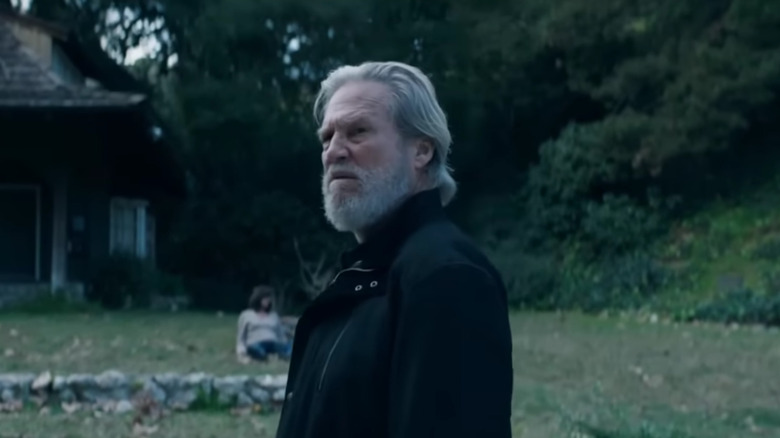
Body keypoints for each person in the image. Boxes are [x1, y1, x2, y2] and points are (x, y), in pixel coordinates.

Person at [275, 61, 513, 438]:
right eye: (326, 137)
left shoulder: (447, 276)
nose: (334, 152)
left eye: (357, 132)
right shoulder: (367, 275)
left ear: (421, 151)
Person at [235, 285, 292, 362]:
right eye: (265, 298)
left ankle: (283, 355)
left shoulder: (273, 316)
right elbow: (241, 338)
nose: (268, 300)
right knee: (255, 349)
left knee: (291, 344)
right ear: (258, 299)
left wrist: (285, 344)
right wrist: (241, 352)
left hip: (273, 343)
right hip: (256, 343)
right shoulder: (246, 315)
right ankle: (261, 355)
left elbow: (280, 335)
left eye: (269, 298)